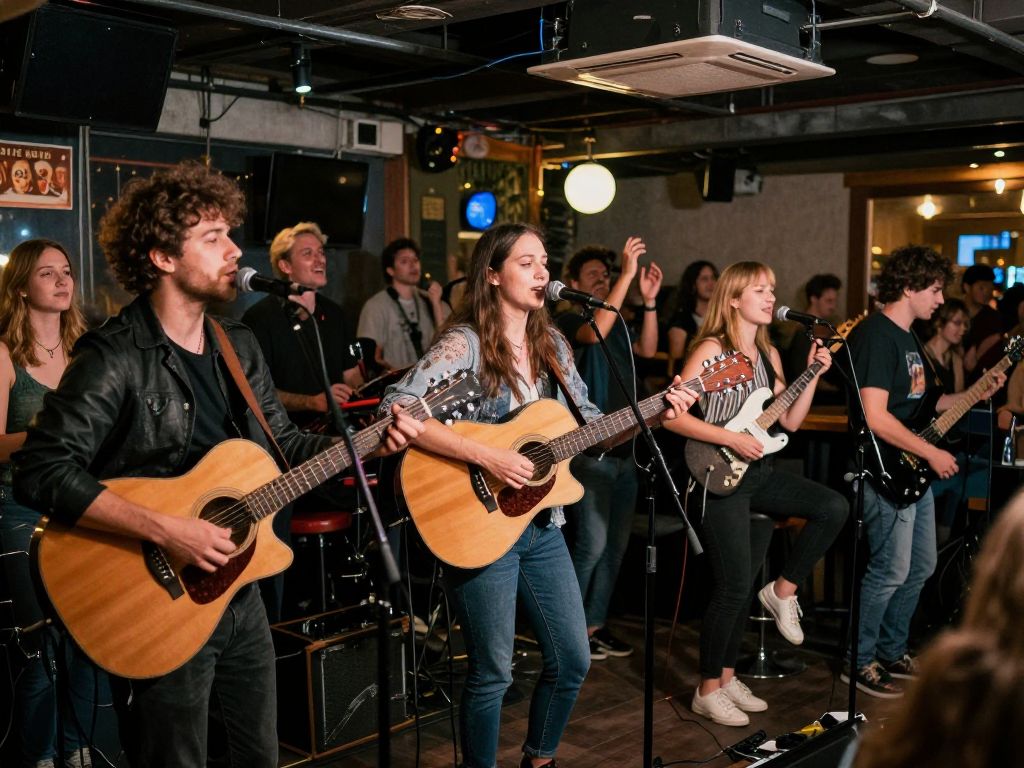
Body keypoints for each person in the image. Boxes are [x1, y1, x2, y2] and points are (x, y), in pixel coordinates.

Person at [11, 161, 422, 768]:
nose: (234, 251)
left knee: (259, 754)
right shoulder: (115, 355)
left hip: (239, 588)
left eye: (230, 234)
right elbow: (41, 470)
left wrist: (370, 440)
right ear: (162, 257)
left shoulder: (239, 345)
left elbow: (285, 451)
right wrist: (167, 529)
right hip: (155, 592)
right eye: (213, 238)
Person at [380, 222, 697, 768]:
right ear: (492, 275)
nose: (541, 272)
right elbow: (398, 407)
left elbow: (593, 428)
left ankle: (540, 759)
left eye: (544, 262)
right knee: (492, 673)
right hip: (477, 520)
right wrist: (489, 456)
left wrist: (656, 415)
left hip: (541, 525)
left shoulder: (552, 345)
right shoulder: (465, 344)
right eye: (526, 263)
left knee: (573, 659)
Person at [661, 261, 848, 727]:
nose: (770, 297)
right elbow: (673, 416)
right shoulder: (711, 348)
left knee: (832, 506)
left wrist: (814, 374)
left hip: (759, 472)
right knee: (731, 587)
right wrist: (730, 437)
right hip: (717, 473)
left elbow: (790, 421)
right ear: (733, 299)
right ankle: (708, 689)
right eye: (760, 290)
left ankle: (781, 593)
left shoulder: (769, 353)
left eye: (772, 289)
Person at [842, 246, 1003, 699]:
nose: (940, 299)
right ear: (909, 287)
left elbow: (928, 405)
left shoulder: (909, 337)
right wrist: (930, 453)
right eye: (934, 289)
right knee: (890, 569)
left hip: (910, 467)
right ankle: (858, 660)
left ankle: (891, 650)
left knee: (921, 566)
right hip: (884, 469)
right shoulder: (877, 335)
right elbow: (876, 416)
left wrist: (976, 392)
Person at [0, 239, 92, 768]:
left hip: (81, 506)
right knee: (41, 647)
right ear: (20, 287)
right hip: (19, 507)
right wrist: (46, 433)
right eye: (46, 273)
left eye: (67, 271)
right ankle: (40, 755)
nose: (62, 281)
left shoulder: (86, 352)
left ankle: (79, 747)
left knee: (90, 638)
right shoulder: (4, 355)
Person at [556, 237, 662, 660]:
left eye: (606, 274)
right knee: (592, 547)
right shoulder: (566, 319)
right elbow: (591, 332)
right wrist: (627, 277)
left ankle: (593, 626)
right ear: (573, 283)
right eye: (593, 276)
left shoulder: (615, 321)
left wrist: (648, 302)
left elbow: (648, 350)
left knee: (615, 550)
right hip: (590, 455)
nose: (602, 279)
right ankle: (567, 632)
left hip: (625, 453)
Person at [241, 221, 362, 429]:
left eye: (321, 252)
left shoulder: (335, 313)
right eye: (308, 253)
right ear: (285, 266)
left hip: (338, 428)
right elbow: (254, 391)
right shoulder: (259, 318)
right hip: (287, 434)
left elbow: (352, 374)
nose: (320, 259)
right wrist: (312, 402)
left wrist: (360, 397)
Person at [357, 237, 449, 370]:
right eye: (404, 261)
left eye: (415, 260)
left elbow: (451, 347)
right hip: (397, 380)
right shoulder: (375, 306)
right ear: (390, 270)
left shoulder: (433, 301)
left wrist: (436, 305)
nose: (413, 265)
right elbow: (369, 358)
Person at [782, 274, 844, 404]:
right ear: (814, 299)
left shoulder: (830, 327)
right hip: (808, 398)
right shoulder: (799, 331)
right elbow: (800, 374)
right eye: (829, 301)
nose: (833, 306)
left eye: (835, 301)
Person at [665, 260, 718, 373]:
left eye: (713, 278)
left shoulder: (723, 316)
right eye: (704, 279)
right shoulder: (681, 321)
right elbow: (676, 364)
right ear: (693, 285)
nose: (711, 283)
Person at [961, 263, 1003, 382]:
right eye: (982, 288)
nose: (987, 292)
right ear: (967, 287)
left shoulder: (993, 318)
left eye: (990, 288)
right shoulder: (954, 312)